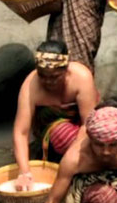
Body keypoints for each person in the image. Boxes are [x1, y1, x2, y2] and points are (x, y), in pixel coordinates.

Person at [12, 40, 99, 191]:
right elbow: (21, 132)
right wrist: (24, 172)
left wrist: (73, 153)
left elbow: (88, 122)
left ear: (66, 70)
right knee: (62, 134)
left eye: (55, 77)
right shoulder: (30, 85)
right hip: (53, 129)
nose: (48, 82)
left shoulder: (81, 77)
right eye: (43, 76)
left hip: (81, 125)